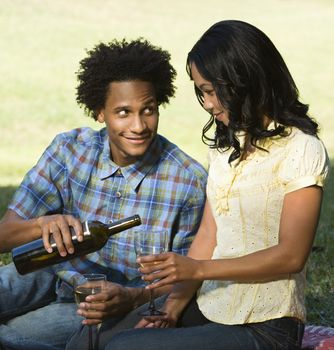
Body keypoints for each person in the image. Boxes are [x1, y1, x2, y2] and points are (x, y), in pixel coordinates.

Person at [102, 20, 329, 350]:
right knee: (96, 337)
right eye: (202, 92)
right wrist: (172, 309)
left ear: (242, 81)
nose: (207, 103)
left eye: (210, 90)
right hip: (212, 304)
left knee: (124, 348)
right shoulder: (224, 147)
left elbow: (291, 255)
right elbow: (209, 234)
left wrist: (197, 268)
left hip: (266, 325)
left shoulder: (302, 149)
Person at [0, 38, 207, 350]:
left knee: (8, 338)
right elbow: (2, 238)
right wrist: (42, 226)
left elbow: (185, 279)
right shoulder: (68, 150)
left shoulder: (187, 181)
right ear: (99, 111)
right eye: (123, 112)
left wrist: (132, 298)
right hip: (46, 271)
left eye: (149, 110)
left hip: (96, 303)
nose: (139, 125)